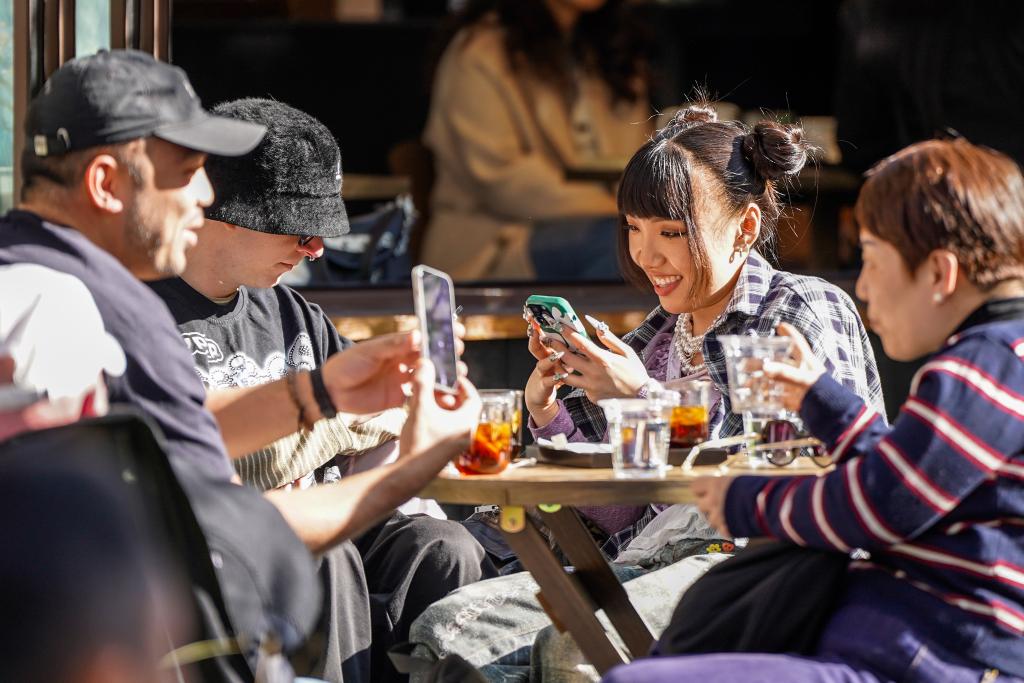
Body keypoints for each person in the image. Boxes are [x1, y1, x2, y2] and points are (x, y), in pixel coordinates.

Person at [0, 49, 486, 682]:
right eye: (188, 173)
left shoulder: (75, 288)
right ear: (105, 184)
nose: (207, 196)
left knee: (435, 550)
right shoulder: (51, 309)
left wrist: (318, 392)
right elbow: (174, 529)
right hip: (171, 645)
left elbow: (168, 443)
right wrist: (412, 466)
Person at [407, 104, 885, 681]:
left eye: (671, 233)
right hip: (643, 560)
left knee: (569, 650)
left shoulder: (796, 309)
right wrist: (549, 409)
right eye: (634, 228)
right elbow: (617, 513)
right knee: (443, 634)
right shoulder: (658, 337)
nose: (646, 255)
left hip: (757, 568)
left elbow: (781, 471)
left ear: (746, 228)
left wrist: (639, 397)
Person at [605, 137, 1024, 681]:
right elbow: (899, 470)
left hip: (924, 660)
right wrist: (821, 399)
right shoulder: (991, 361)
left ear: (940, 274)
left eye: (871, 259)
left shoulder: (982, 369)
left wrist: (747, 502)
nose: (863, 287)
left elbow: (882, 501)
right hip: (893, 648)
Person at [149, 96, 495, 681]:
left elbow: (376, 429)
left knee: (445, 547)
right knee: (327, 560)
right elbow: (192, 464)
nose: (317, 249)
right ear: (225, 213)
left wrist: (409, 400)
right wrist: (334, 428)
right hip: (223, 558)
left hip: (336, 523)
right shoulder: (146, 317)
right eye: (301, 230)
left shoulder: (293, 312)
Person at [421, 0, 653, 280]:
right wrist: (623, 210)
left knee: (675, 238)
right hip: (497, 239)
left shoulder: (610, 50)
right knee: (627, 245)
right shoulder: (480, 51)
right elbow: (504, 182)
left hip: (604, 221)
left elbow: (636, 159)